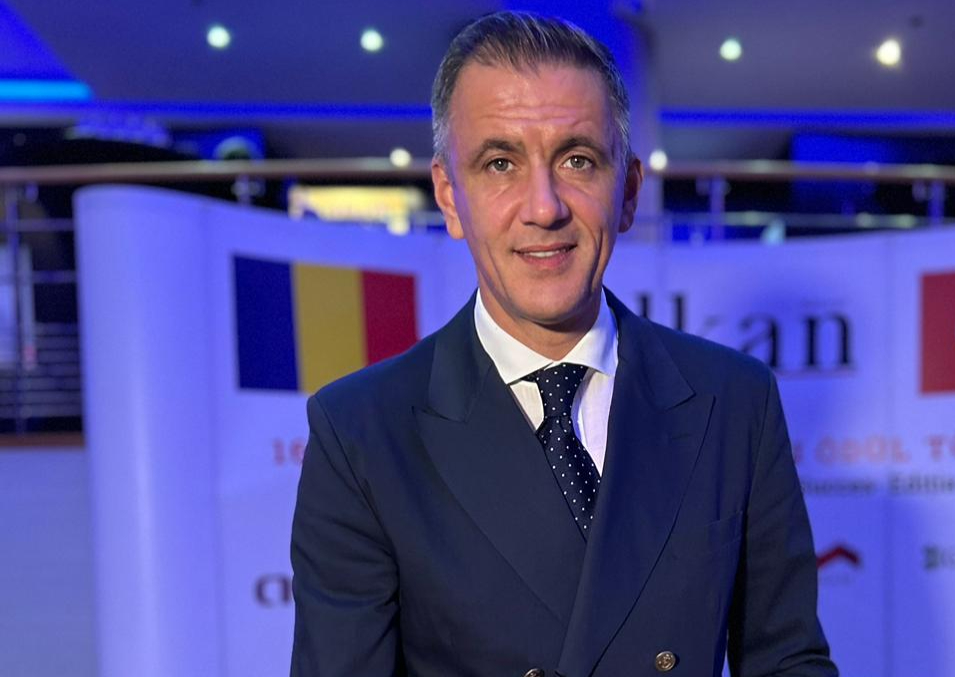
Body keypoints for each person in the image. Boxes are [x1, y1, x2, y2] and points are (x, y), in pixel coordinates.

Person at [290, 11, 837, 677]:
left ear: (628, 191)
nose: (544, 207)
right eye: (500, 163)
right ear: (450, 197)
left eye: (577, 160)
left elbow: (787, 662)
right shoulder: (361, 432)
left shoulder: (734, 401)